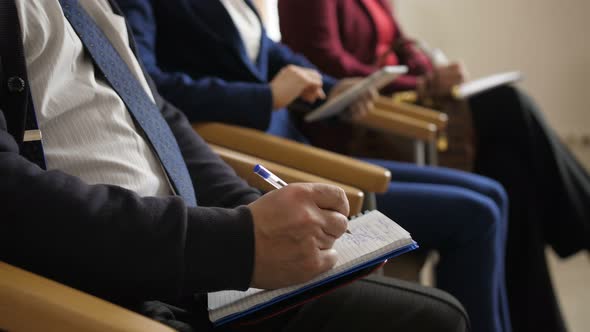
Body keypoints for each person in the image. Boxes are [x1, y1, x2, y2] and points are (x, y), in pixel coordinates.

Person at [0, 0, 475, 331]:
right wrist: (235, 242)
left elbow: (158, 113)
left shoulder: (91, 5)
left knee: (439, 309)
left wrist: (248, 210)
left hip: (201, 257)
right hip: (118, 285)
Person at [117, 1, 511, 331]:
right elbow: (148, 84)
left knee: (493, 195)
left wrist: (330, 85)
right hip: (267, 157)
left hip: (297, 147)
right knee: (477, 215)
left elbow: (269, 52)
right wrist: (264, 97)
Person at [277, 1, 590, 331]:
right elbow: (323, 63)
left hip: (400, 106)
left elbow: (400, 41)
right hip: (360, 127)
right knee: (508, 107)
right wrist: (422, 86)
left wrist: (428, 70)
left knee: (509, 170)